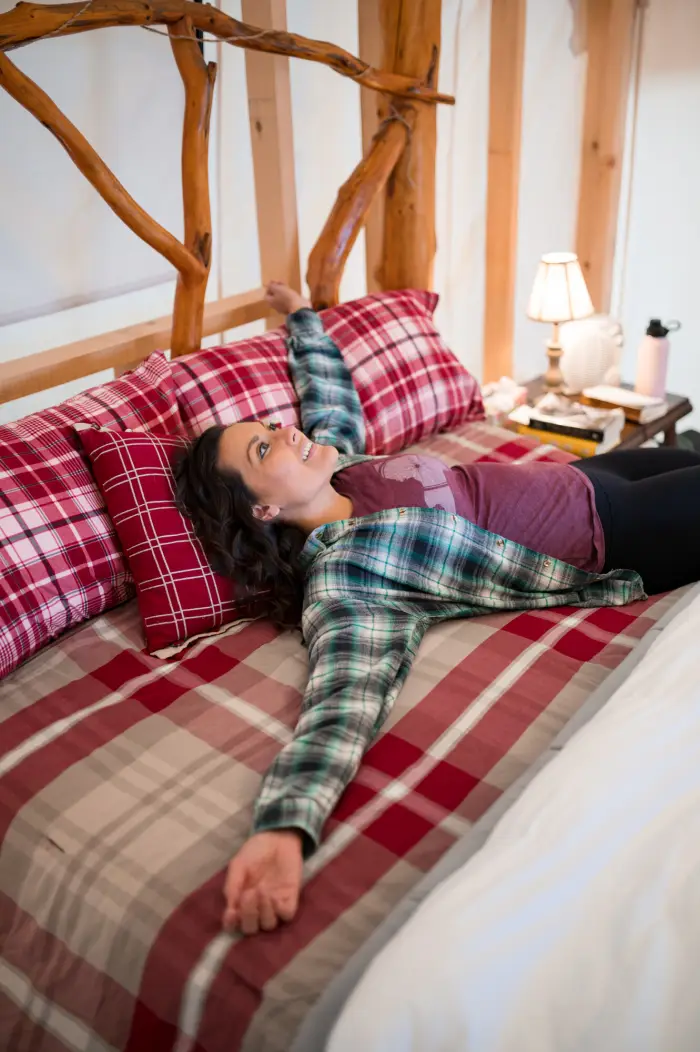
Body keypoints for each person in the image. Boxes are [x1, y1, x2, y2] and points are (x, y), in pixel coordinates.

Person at [175, 281, 700, 937]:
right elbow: (343, 696)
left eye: (270, 426)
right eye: (263, 449)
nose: (285, 433)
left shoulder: (343, 467)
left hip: (590, 478)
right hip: (615, 535)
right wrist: (285, 824)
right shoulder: (348, 574)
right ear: (262, 510)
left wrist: (302, 321)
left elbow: (330, 398)